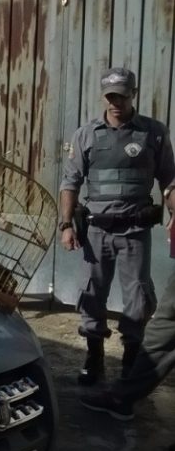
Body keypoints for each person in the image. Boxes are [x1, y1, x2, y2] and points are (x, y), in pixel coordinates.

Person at [59, 67, 175, 386]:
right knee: (91, 294)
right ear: (104, 97)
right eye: (110, 96)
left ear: (132, 95)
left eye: (121, 96)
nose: (115, 103)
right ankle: (94, 356)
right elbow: (70, 183)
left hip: (135, 232)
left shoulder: (154, 133)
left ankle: (130, 357)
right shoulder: (86, 135)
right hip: (96, 232)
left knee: (138, 296)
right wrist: (66, 225)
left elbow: (170, 180)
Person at [80, 192, 175, 420]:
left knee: (163, 328)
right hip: (100, 227)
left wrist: (170, 195)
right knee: (163, 330)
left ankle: (122, 394)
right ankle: (120, 391)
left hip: (134, 229)